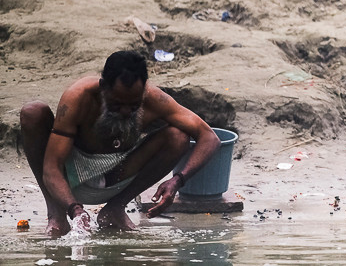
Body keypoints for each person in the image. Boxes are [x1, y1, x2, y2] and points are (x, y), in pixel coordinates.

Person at [19, 50, 221, 237]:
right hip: (69, 181)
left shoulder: (154, 99)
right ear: (103, 87)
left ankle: (115, 209)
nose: (125, 111)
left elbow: (210, 137)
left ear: (143, 91)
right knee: (33, 112)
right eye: (116, 104)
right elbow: (51, 168)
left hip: (119, 174)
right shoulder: (79, 96)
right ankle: (56, 214)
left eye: (133, 105)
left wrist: (177, 181)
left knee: (178, 136)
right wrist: (75, 210)